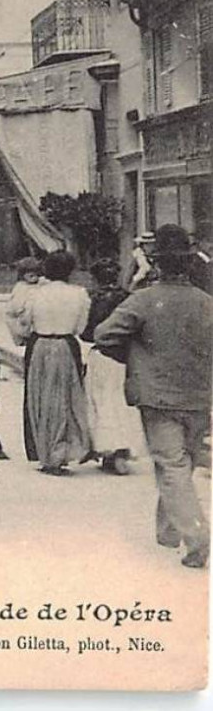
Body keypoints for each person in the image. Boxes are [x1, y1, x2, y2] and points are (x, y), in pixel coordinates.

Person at [95, 224, 212, 569]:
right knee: (183, 463)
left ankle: (196, 535)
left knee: (171, 464)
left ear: (157, 264)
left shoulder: (143, 301)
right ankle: (168, 531)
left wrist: (134, 355)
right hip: (200, 396)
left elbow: (103, 336)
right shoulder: (207, 303)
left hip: (158, 397)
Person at [19, 250, 92, 475]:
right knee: (66, 399)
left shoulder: (35, 294)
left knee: (41, 398)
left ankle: (47, 452)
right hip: (66, 346)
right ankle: (62, 451)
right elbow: (80, 328)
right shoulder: (80, 294)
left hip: (40, 345)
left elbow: (24, 323)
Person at [81, 258, 143, 474]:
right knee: (123, 404)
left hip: (103, 355)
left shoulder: (94, 299)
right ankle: (122, 449)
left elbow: (87, 333)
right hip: (127, 357)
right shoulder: (130, 298)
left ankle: (107, 448)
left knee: (103, 402)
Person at [4, 256, 44, 346]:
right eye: (28, 272)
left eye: (35, 272)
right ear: (22, 274)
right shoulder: (20, 289)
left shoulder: (45, 285)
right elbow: (11, 314)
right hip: (30, 334)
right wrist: (20, 336)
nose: (32, 275)